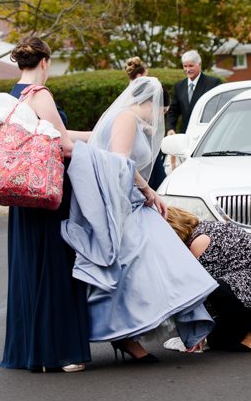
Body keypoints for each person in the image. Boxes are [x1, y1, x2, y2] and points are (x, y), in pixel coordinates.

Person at [62, 76, 216, 362]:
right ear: (147, 103)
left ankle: (154, 331)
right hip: (126, 204)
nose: (160, 115)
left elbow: (96, 140)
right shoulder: (126, 118)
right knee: (137, 269)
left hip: (132, 202)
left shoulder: (127, 120)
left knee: (159, 266)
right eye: (159, 109)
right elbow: (119, 161)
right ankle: (128, 335)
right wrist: (147, 188)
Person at [1, 37, 92, 373]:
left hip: (24, 194)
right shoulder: (40, 94)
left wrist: (96, 133)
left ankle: (33, 353)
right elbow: (64, 145)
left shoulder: (12, 96)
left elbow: (58, 133)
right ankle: (63, 352)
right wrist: (98, 141)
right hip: (50, 193)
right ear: (45, 62)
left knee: (29, 268)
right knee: (57, 266)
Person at [165, 207, 251, 351]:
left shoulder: (197, 243)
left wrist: (198, 331)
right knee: (217, 340)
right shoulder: (207, 226)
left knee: (215, 291)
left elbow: (204, 292)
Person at [122, 56, 166, 190]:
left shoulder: (127, 93)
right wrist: (147, 128)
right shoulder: (137, 96)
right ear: (140, 76)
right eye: (146, 76)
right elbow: (131, 118)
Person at [166, 50, 220, 134]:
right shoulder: (179, 86)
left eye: (191, 66)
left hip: (206, 133)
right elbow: (173, 111)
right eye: (185, 66)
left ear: (199, 65)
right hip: (185, 134)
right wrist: (171, 128)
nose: (188, 69)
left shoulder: (213, 84)